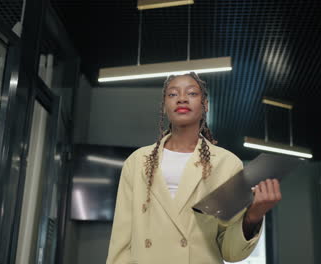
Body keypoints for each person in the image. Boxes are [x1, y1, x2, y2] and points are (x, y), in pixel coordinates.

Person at [106, 72, 282, 264]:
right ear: (164, 106)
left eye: (191, 93)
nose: (181, 99)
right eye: (173, 94)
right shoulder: (138, 161)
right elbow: (121, 241)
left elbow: (230, 252)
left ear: (205, 105)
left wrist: (253, 216)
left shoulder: (227, 164)